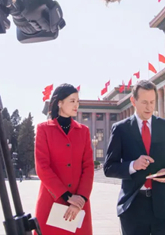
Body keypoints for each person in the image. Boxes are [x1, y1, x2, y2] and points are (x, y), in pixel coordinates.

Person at [104, 80, 165, 235]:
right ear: (133, 101)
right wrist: (132, 165)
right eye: (145, 102)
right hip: (133, 207)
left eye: (152, 102)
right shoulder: (120, 129)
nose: (149, 107)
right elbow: (109, 168)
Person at [34, 84, 94, 235]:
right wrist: (67, 196)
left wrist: (80, 198)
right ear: (59, 103)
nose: (76, 105)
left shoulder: (84, 131)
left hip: (79, 205)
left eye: (78, 101)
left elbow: (88, 167)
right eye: (72, 101)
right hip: (51, 202)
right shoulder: (43, 129)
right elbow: (42, 167)